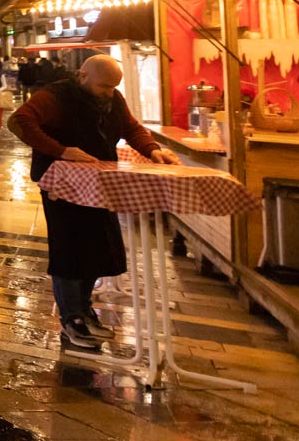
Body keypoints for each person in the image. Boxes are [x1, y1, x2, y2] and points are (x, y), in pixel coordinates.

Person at [10, 54, 179, 352]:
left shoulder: (113, 98)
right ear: (83, 75)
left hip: (98, 183)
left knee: (96, 247)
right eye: (104, 86)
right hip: (61, 185)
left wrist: (152, 150)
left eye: (114, 87)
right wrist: (61, 150)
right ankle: (71, 318)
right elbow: (19, 121)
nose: (109, 93)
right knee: (68, 250)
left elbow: (131, 127)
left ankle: (85, 310)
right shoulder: (54, 96)